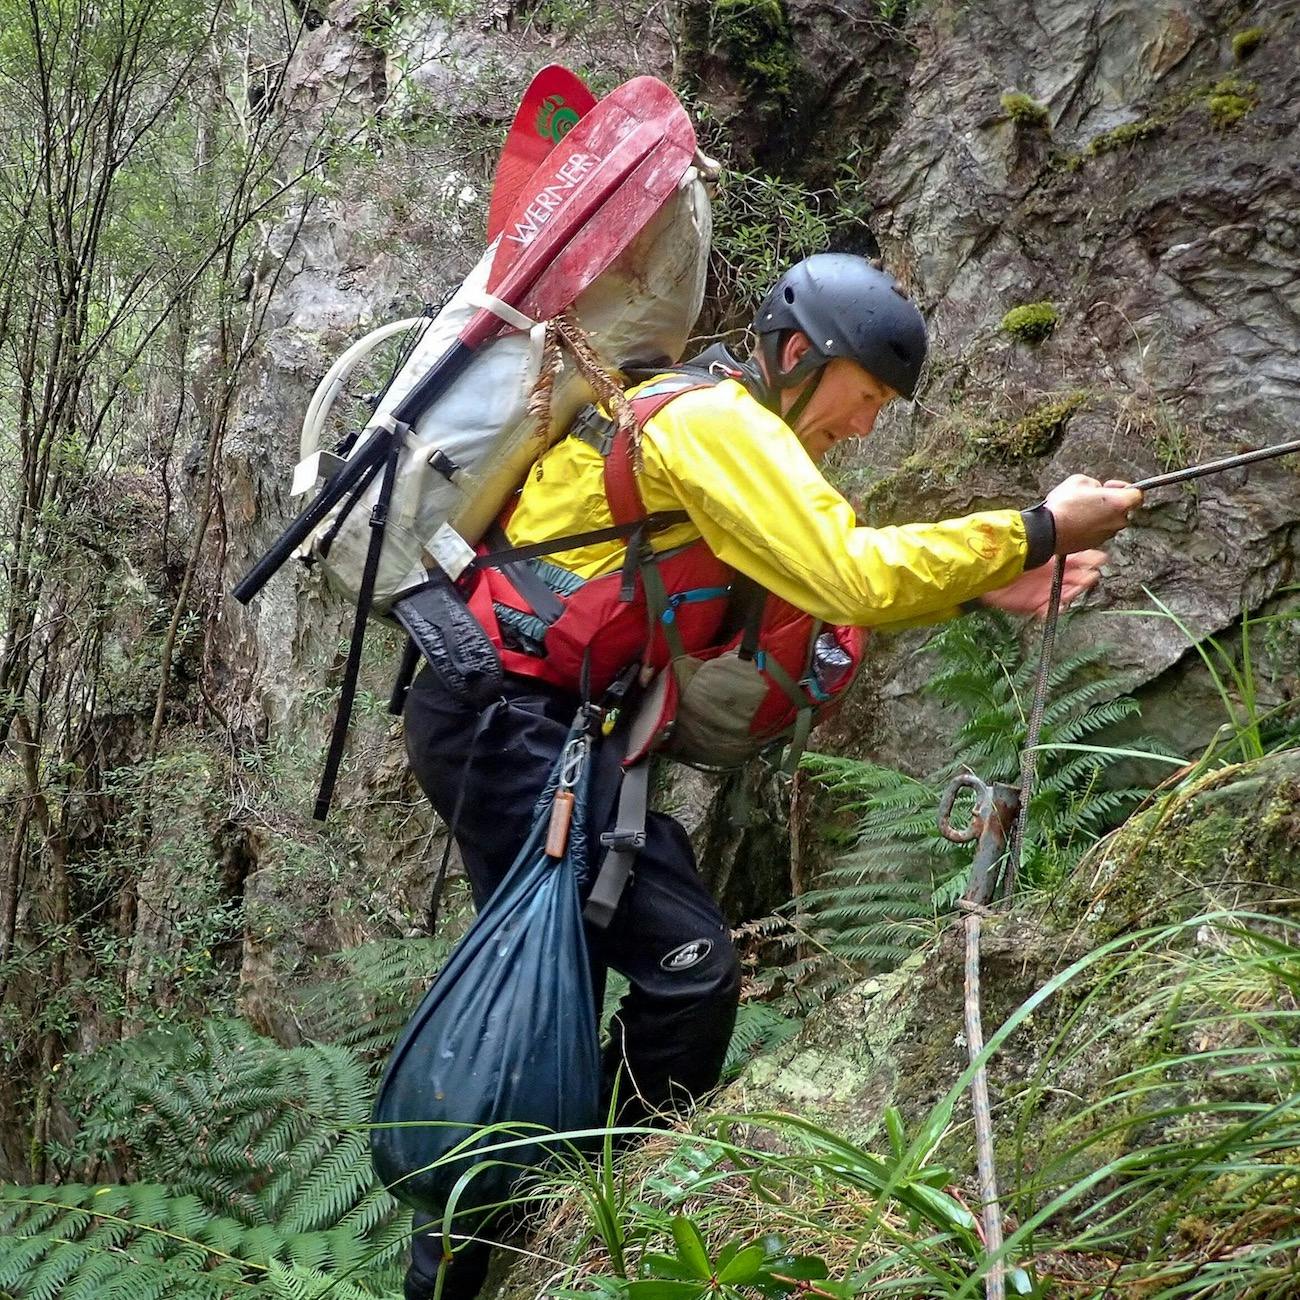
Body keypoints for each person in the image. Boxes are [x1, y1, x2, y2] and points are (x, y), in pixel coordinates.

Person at [400, 253, 1142, 1298]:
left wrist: (984, 589)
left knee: (636, 981)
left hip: (550, 729)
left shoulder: (727, 432)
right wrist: (1035, 527)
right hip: (506, 719)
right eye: (868, 395)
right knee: (648, 977)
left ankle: (554, 1219)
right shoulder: (715, 423)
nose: (869, 424)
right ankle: (542, 1231)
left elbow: (807, 584)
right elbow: (849, 573)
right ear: (798, 354)